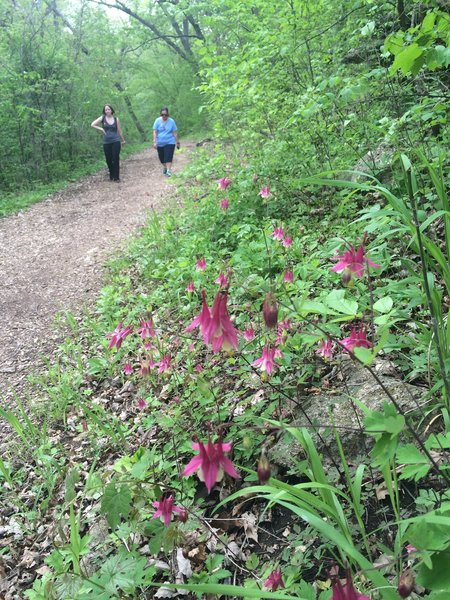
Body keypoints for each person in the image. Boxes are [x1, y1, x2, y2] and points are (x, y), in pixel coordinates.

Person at [91, 104, 125, 182]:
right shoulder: (102, 118)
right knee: (108, 159)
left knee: (115, 158)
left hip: (116, 141)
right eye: (106, 110)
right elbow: (92, 124)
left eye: (108, 109)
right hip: (106, 142)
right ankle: (111, 175)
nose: (107, 111)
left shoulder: (116, 119)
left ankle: (116, 177)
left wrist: (123, 140)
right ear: (104, 111)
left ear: (111, 110)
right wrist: (101, 129)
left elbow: (119, 130)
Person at [153, 107, 180, 177]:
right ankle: (165, 167)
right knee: (162, 158)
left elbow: (174, 132)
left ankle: (168, 170)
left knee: (168, 156)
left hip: (170, 142)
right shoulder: (157, 121)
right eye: (162, 115)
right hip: (160, 142)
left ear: (168, 114)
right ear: (160, 115)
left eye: (166, 115)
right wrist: (155, 141)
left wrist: (177, 142)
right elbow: (155, 132)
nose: (164, 116)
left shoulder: (171, 121)